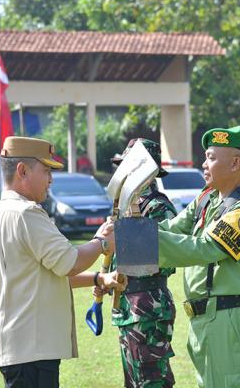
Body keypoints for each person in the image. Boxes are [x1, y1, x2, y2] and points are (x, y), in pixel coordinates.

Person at [0, 136, 126, 388]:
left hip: (24, 346)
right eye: (46, 170)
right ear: (22, 170)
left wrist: (97, 278)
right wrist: (103, 242)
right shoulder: (26, 212)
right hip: (32, 348)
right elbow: (70, 263)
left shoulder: (5, 210)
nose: (51, 180)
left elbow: (49, 271)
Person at [157, 126, 240, 388]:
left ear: (234, 163)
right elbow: (172, 229)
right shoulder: (207, 199)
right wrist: (133, 230)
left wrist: (142, 239)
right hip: (207, 318)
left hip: (229, 317)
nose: (204, 164)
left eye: (211, 157)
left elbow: (207, 249)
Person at [104, 138, 178, 388]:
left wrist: (123, 238)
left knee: (151, 381)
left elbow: (165, 261)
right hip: (129, 307)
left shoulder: (158, 207)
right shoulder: (124, 206)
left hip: (149, 309)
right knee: (134, 382)